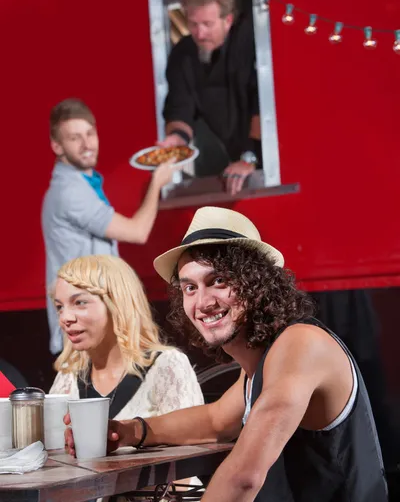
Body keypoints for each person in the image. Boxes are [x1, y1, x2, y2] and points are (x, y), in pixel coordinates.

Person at [66, 207, 388, 501]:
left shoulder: (300, 345)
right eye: (189, 287)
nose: (202, 302)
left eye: (218, 281)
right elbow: (216, 420)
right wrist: (129, 431)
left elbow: (243, 478)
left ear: (256, 283)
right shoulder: (260, 366)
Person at [42, 98, 174, 355]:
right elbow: (138, 232)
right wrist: (157, 183)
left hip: (93, 323)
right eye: (74, 138)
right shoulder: (70, 192)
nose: (86, 144)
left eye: (90, 134)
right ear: (57, 146)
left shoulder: (83, 184)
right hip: (80, 329)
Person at [50, 254, 204, 418]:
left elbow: (192, 437)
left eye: (80, 303)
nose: (65, 318)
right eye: (60, 307)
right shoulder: (68, 377)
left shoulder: (167, 367)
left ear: (117, 303)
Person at [160, 0, 261, 195]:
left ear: (228, 20)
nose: (200, 33)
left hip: (269, 153)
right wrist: (178, 138)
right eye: (193, 24)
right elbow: (180, 107)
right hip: (236, 159)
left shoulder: (249, 39)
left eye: (207, 24)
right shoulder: (183, 54)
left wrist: (250, 157)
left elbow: (260, 102)